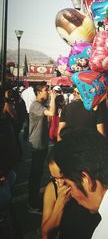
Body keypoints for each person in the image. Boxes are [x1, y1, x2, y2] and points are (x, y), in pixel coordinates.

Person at [41, 147, 100, 239]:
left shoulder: (90, 186)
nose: (60, 184)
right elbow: (46, 235)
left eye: (62, 177)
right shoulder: (53, 188)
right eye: (55, 178)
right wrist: (60, 204)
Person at [28, 82, 56, 214]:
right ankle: (32, 204)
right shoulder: (36, 105)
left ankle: (34, 199)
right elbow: (51, 113)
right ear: (39, 92)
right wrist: (54, 99)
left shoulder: (40, 105)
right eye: (45, 90)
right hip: (37, 144)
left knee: (38, 173)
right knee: (35, 174)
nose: (47, 92)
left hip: (42, 143)